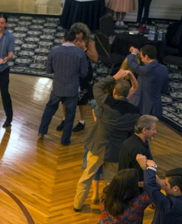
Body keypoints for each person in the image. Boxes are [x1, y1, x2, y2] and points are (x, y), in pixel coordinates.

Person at [72, 69, 140, 211]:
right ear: (128, 94)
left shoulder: (105, 103)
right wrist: (132, 76)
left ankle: (77, 205)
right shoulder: (134, 112)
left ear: (114, 92)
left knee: (87, 177)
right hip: (115, 152)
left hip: (98, 147)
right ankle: (110, 207)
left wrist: (115, 76)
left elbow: (97, 86)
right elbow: (135, 88)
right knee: (111, 181)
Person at [37, 30, 88, 146]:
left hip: (57, 87)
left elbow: (48, 70)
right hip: (72, 89)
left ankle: (41, 131)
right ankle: (65, 140)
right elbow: (84, 73)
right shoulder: (80, 53)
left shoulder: (53, 52)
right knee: (70, 115)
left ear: (63, 39)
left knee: (49, 109)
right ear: (75, 40)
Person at [56, 23, 98, 133]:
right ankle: (65, 119)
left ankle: (82, 122)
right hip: (70, 72)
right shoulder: (71, 40)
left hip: (84, 74)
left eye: (79, 34)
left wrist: (84, 49)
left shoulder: (89, 42)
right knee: (65, 97)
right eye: (75, 33)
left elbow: (95, 58)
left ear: (83, 33)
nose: (77, 36)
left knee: (83, 99)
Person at [126, 45, 169, 118]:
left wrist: (134, 53)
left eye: (142, 57)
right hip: (155, 105)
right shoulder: (164, 68)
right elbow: (165, 89)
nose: (141, 60)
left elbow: (130, 62)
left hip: (143, 105)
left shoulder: (146, 70)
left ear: (146, 56)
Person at [118, 115, 158, 187]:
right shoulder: (141, 150)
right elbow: (140, 179)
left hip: (122, 185)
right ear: (144, 130)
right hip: (133, 191)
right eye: (153, 129)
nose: (155, 131)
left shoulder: (127, 142)